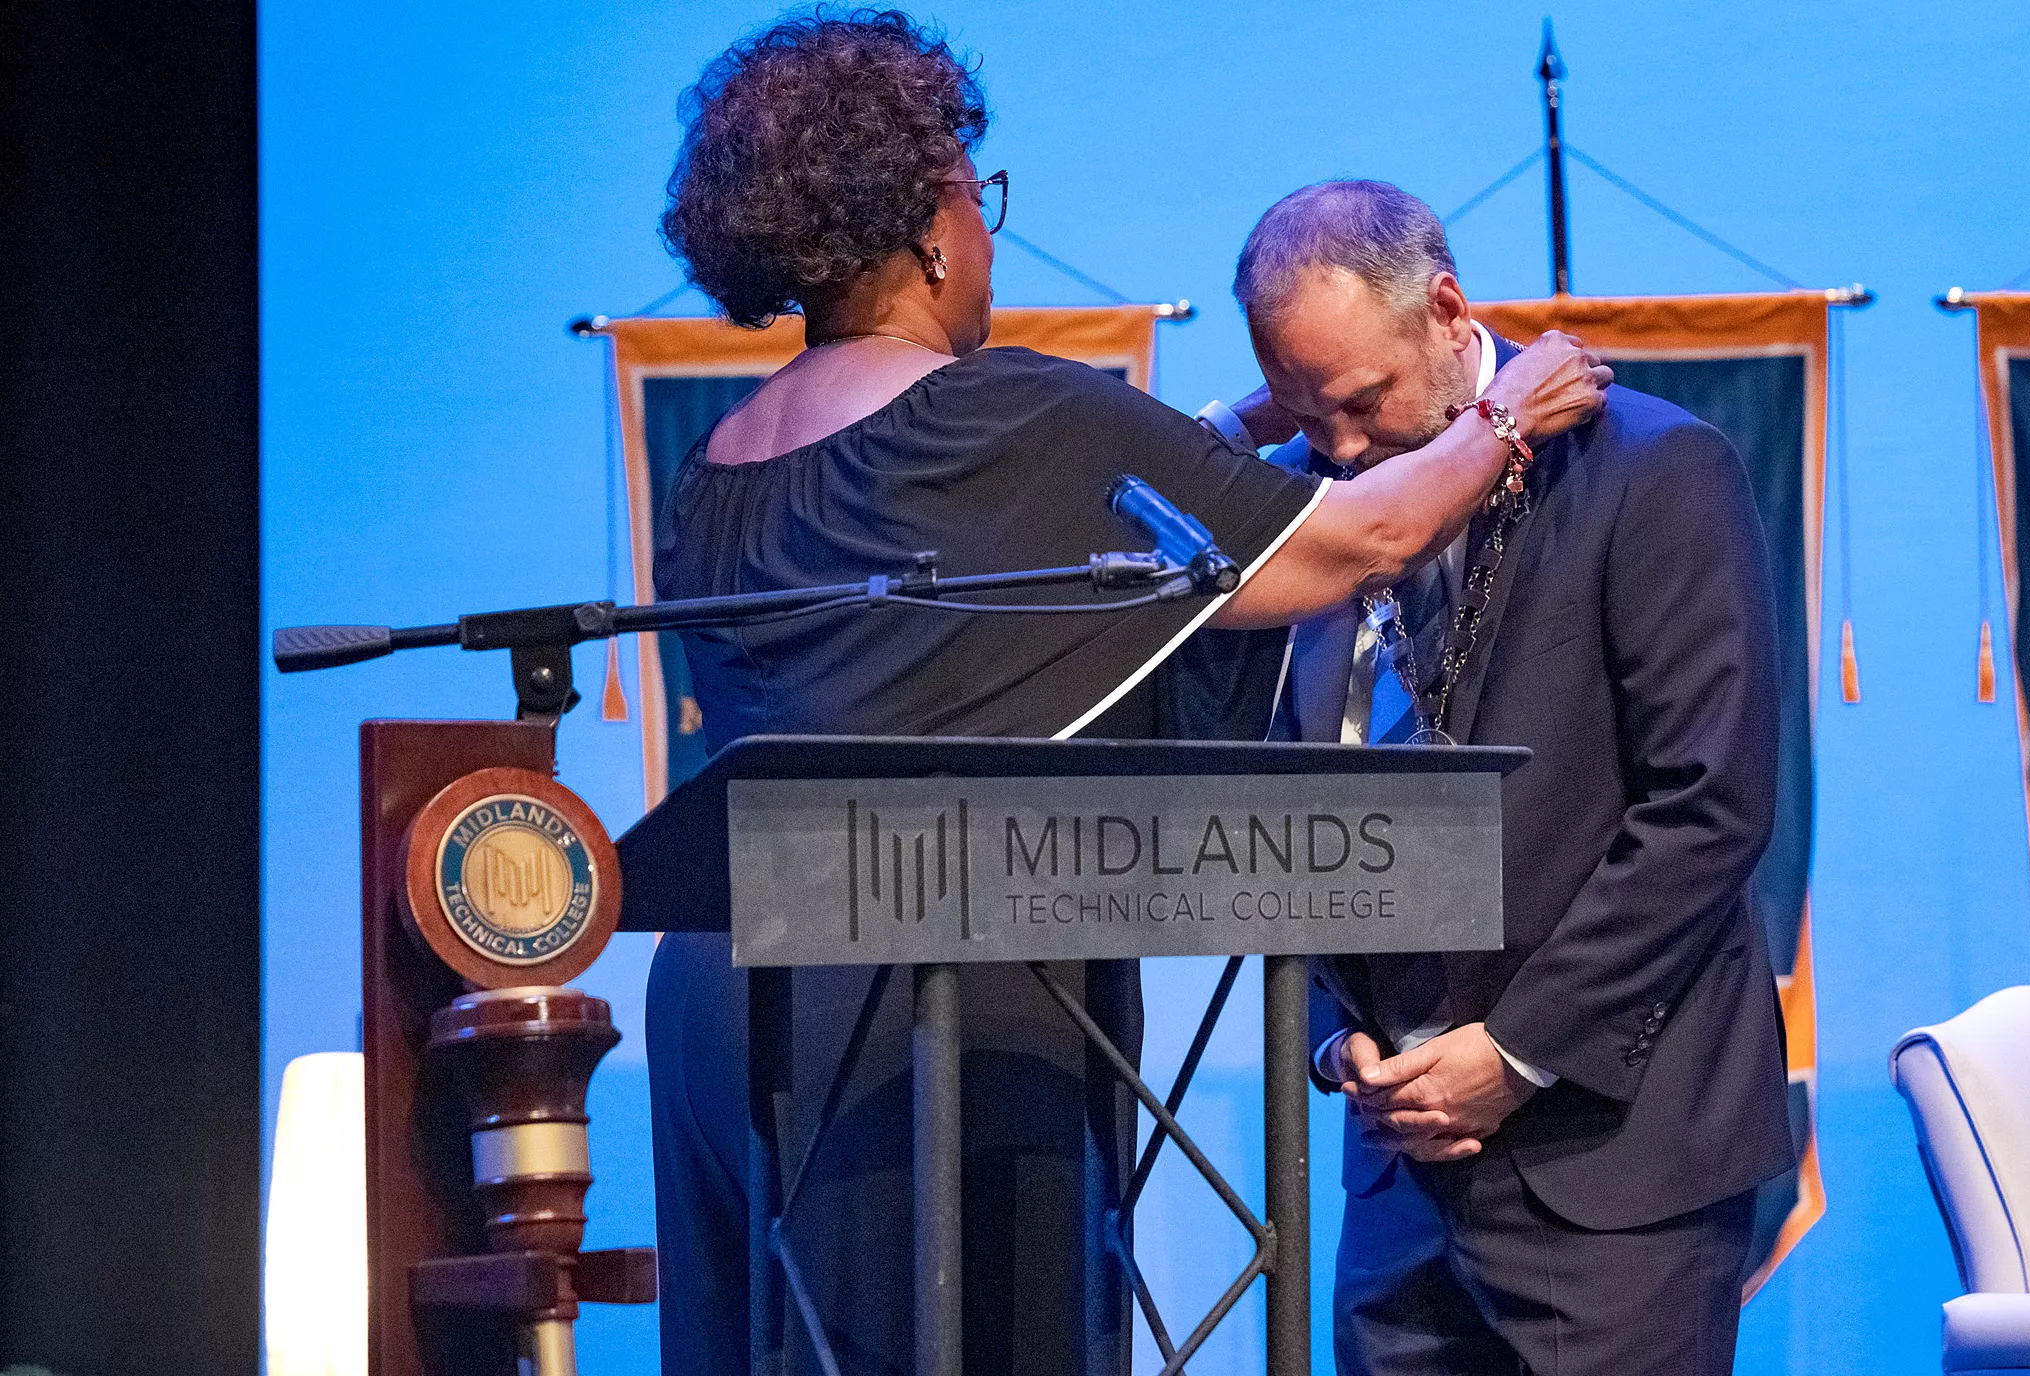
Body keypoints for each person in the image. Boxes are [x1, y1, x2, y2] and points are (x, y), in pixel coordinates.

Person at [643, 16, 1610, 1374]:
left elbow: (984, 592)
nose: (986, 238)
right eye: (979, 203)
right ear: (931, 224)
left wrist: (1212, 443)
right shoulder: (1010, 413)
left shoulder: (719, 463)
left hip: (722, 997)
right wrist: (1510, 417)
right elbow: (1360, 541)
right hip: (933, 1006)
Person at [1215, 179, 1793, 1376]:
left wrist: (1515, 1049)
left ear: (1445, 309)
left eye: (1363, 401)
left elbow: (1709, 806)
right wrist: (1337, 1038)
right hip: (1400, 1174)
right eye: (1311, 413)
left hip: (1615, 1165)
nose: (1343, 448)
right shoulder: (1324, 504)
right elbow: (1303, 800)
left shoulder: (1655, 468)